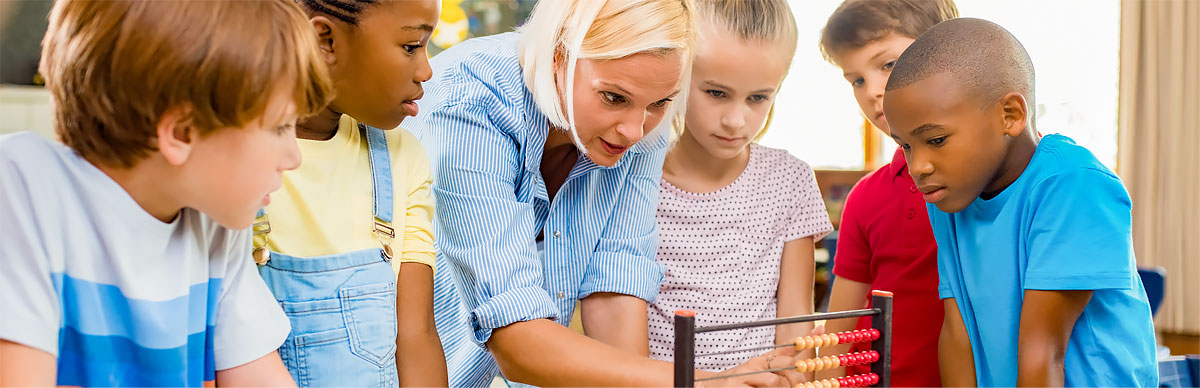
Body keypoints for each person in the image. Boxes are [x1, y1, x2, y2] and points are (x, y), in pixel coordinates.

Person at [407, 0, 803, 386]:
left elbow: (617, 288)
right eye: (614, 98)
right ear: (558, 55)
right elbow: (517, 342)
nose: (635, 131)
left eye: (661, 104)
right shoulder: (472, 100)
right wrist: (699, 383)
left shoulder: (642, 112)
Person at [0, 0, 333, 385]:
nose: (293, 157)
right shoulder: (22, 188)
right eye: (280, 127)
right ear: (181, 133)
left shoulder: (215, 225)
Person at [883, 17, 1158, 387]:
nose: (918, 167)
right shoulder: (949, 195)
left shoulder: (1073, 184)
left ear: (1009, 115)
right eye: (905, 145)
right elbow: (957, 334)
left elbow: (1043, 351)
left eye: (935, 140)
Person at [251, 0, 447, 386]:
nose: (426, 70)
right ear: (325, 39)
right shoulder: (226, 161)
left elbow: (416, 336)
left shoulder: (402, 157)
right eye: (411, 46)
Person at [647, 0, 833, 374]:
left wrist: (787, 378)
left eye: (758, 98)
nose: (736, 121)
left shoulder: (791, 180)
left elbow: (797, 319)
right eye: (716, 93)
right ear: (678, 75)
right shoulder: (637, 180)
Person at [816, 1, 957, 385]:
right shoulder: (865, 197)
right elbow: (836, 336)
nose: (873, 92)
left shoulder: (996, 181)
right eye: (856, 80)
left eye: (888, 65)